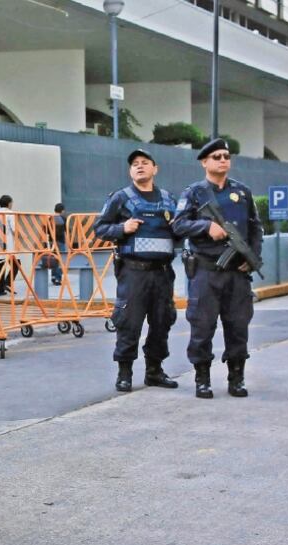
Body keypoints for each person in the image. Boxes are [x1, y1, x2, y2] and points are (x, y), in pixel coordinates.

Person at [172, 139, 263, 399]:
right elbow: (178, 225)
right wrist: (205, 227)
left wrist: (253, 256)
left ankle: (237, 378)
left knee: (238, 326)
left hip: (237, 273)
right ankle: (203, 379)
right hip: (206, 270)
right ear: (204, 162)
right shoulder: (194, 193)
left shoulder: (242, 192)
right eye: (216, 157)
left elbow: (256, 228)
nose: (223, 160)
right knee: (202, 326)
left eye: (226, 156)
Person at [93, 148, 179, 392]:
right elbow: (99, 229)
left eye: (145, 162)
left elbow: (181, 232)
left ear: (155, 168)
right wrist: (122, 228)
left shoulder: (169, 200)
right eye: (135, 164)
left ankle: (155, 371)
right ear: (130, 171)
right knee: (129, 322)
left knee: (162, 322)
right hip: (133, 272)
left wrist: (177, 228)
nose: (139, 166)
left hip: (162, 273)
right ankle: (125, 373)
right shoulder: (121, 198)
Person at [0, 194, 18, 296]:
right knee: (16, 264)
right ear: (9, 203)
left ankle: (0, 290)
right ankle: (7, 282)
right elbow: (14, 229)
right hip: (9, 244)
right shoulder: (10, 213)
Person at [50, 203, 66, 285]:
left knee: (54, 259)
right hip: (60, 241)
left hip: (52, 241)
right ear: (62, 210)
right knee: (61, 260)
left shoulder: (50, 218)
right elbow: (66, 230)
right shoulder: (62, 218)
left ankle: (53, 276)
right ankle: (58, 278)